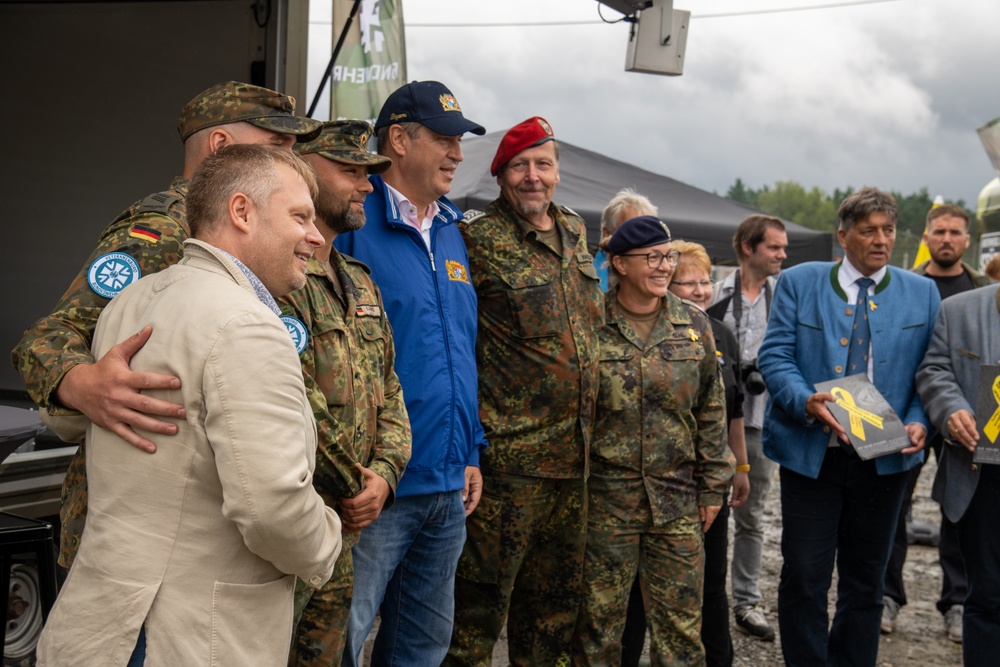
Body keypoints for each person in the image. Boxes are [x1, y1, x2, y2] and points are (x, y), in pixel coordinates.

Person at [35, 145, 343, 665]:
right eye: (300, 217)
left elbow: (67, 422)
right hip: (188, 635)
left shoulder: (133, 300)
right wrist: (327, 545)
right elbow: (271, 508)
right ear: (241, 212)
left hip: (104, 624)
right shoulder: (245, 325)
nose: (316, 237)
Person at [11, 81, 321, 569]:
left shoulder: (271, 232)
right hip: (140, 540)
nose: (295, 156)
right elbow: (49, 337)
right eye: (277, 144)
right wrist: (81, 383)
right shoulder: (164, 230)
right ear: (220, 147)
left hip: (213, 526)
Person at [332, 80, 487, 667]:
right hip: (376, 485)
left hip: (448, 483)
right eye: (445, 139)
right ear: (398, 139)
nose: (458, 153)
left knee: (420, 649)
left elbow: (457, 349)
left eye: (460, 140)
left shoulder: (450, 228)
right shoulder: (350, 220)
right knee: (339, 640)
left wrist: (470, 449)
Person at [758, 186, 940, 667]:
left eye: (888, 230)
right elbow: (775, 356)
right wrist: (805, 401)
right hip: (811, 455)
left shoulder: (922, 292)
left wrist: (921, 421)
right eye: (868, 231)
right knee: (803, 574)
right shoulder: (799, 282)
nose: (880, 239)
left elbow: (932, 371)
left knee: (866, 580)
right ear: (844, 236)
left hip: (886, 461)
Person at [445, 116, 604, 666]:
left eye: (544, 163)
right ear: (501, 176)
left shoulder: (576, 230)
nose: (533, 176)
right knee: (475, 619)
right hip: (509, 468)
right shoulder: (474, 239)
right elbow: (455, 340)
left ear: (558, 171)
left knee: (554, 616)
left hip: (575, 465)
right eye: (520, 165)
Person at [280, 121, 411, 666]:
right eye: (350, 171)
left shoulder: (357, 277)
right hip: (290, 525)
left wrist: (385, 474)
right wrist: (357, 483)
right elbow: (293, 401)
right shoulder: (275, 278)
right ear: (302, 174)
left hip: (346, 531)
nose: (365, 185)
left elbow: (391, 391)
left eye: (368, 172)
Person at [574, 217, 729, 666]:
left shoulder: (694, 323)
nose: (664, 267)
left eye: (669, 257)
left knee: (680, 632)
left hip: (676, 501)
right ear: (619, 264)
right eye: (653, 258)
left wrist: (714, 484)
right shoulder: (590, 322)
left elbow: (711, 409)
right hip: (606, 502)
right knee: (598, 629)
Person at [881, 203, 992, 641]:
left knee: (961, 506)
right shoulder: (904, 286)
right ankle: (888, 595)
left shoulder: (985, 290)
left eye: (955, 232)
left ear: (967, 241)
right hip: (908, 409)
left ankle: (959, 600)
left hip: (969, 415)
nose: (947, 238)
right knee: (893, 503)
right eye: (939, 231)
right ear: (926, 237)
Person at [668, 240, 751, 667]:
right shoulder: (657, 330)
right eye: (689, 282)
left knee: (712, 586)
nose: (701, 291)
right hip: (666, 483)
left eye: (706, 281)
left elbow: (735, 408)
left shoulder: (723, 334)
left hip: (712, 484)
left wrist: (741, 466)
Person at [706, 214, 788, 641]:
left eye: (783, 247)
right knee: (705, 513)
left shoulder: (785, 297)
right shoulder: (714, 294)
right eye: (774, 247)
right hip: (713, 424)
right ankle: (705, 596)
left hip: (761, 421)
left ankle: (747, 600)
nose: (782, 255)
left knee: (752, 515)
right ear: (748, 248)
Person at [916, 281, 1000, 667]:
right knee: (986, 597)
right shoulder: (958, 310)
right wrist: (950, 408)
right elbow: (934, 370)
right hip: (982, 478)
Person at [595, 188, 658, 290]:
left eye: (649, 231)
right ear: (607, 233)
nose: (643, 238)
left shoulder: (662, 272)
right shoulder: (583, 278)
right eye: (632, 231)